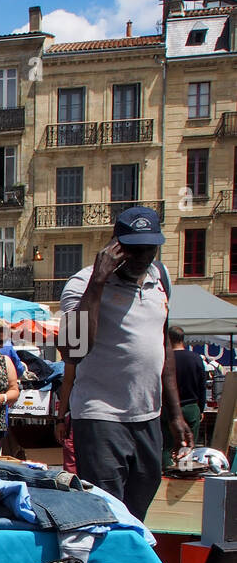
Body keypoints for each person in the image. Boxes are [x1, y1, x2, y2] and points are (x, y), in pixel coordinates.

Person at [59, 206, 190, 522]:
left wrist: (175, 414)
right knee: (108, 510)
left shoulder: (161, 278)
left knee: (143, 494)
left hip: (148, 415)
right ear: (115, 244)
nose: (142, 257)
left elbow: (162, 348)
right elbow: (73, 350)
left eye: (149, 249)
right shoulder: (81, 284)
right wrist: (98, 282)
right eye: (133, 250)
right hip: (101, 415)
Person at [164, 325, 206, 467]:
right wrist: (201, 408)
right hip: (191, 407)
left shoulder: (165, 359)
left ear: (168, 339)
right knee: (187, 446)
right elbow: (202, 386)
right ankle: (183, 474)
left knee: (166, 445)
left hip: (168, 408)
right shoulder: (196, 359)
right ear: (183, 339)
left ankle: (165, 473)